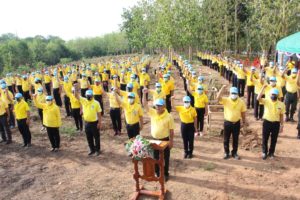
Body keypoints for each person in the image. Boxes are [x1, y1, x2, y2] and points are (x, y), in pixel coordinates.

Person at [143, 89, 174, 181]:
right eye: (157, 106)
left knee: (165, 158)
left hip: (164, 139)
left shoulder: (169, 116)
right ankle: (157, 173)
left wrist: (171, 142)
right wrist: (144, 94)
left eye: (160, 106)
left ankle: (165, 173)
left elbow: (171, 131)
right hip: (154, 139)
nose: (158, 107)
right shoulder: (153, 112)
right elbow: (144, 104)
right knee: (155, 157)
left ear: (164, 106)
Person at [217, 86, 247, 160]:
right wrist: (222, 88)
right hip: (227, 123)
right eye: (232, 93)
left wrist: (244, 122)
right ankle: (226, 152)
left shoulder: (241, 102)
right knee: (226, 139)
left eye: (235, 93)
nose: (233, 94)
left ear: (237, 94)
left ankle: (234, 153)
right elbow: (218, 98)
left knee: (235, 139)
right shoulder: (226, 100)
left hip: (236, 123)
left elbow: (243, 113)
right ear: (230, 93)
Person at [257, 87, 285, 159]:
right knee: (265, 138)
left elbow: (281, 115)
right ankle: (264, 152)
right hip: (267, 122)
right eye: (272, 94)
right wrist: (263, 88)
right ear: (270, 95)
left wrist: (282, 125)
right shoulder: (266, 101)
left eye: (275, 94)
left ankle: (271, 153)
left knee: (274, 139)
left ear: (277, 95)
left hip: (276, 124)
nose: (274, 95)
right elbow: (258, 98)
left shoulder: (281, 104)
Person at [76, 89, 102, 156]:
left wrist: (99, 123)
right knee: (89, 137)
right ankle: (92, 150)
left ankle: (97, 150)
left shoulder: (96, 103)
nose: (88, 97)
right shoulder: (84, 101)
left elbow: (99, 113)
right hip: (87, 123)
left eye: (89, 95)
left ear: (92, 96)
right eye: (87, 96)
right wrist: (76, 88)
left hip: (94, 123)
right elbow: (76, 95)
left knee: (96, 137)